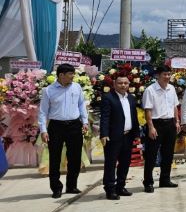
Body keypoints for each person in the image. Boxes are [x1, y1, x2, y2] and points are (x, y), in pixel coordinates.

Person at [38, 63, 89, 198]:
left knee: (75, 158)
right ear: (61, 75)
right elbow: (43, 112)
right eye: (70, 74)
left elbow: (81, 105)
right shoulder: (48, 90)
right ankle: (56, 188)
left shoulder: (77, 87)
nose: (73, 76)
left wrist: (85, 122)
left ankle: (72, 186)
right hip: (56, 127)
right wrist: (43, 130)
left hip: (74, 126)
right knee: (54, 158)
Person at [99, 73, 140, 200]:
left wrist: (137, 134)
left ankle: (120, 186)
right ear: (114, 84)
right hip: (113, 136)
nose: (123, 85)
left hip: (128, 136)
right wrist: (104, 134)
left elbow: (134, 117)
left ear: (129, 85)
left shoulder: (131, 98)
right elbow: (105, 117)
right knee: (111, 164)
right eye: (120, 83)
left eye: (126, 83)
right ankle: (110, 189)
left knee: (125, 162)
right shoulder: (108, 97)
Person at [141, 65, 180, 192]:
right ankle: (148, 182)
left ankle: (165, 179)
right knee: (151, 155)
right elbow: (148, 110)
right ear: (158, 75)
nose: (167, 77)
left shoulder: (172, 88)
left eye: (169, 74)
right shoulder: (150, 90)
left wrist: (177, 121)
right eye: (165, 74)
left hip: (170, 124)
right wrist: (151, 127)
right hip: (156, 124)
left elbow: (175, 106)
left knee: (168, 154)